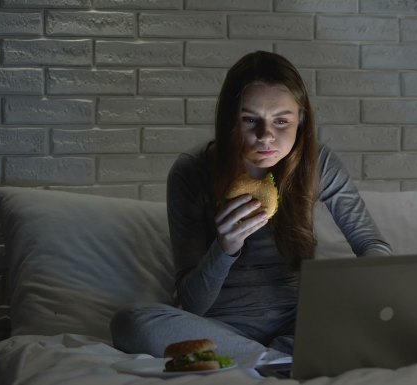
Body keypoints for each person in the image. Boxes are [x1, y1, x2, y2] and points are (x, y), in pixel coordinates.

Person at [110, 51, 391, 362]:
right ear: (230, 120)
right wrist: (225, 247)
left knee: (381, 318)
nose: (266, 136)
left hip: (298, 323)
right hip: (221, 328)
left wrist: (360, 285)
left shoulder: (317, 163)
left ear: (302, 120)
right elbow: (191, 305)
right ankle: (278, 360)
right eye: (250, 120)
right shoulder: (192, 171)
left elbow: (371, 244)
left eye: (281, 121)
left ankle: (276, 356)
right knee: (130, 321)